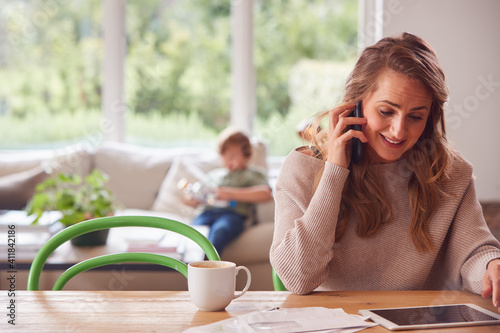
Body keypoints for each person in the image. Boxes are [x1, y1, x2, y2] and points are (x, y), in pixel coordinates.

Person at [269, 32, 500, 313]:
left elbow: (474, 253)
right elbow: (297, 277)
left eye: (416, 116)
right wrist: (335, 171)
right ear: (354, 104)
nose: (399, 131)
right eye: (386, 111)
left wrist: (491, 266)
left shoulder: (450, 173)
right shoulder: (303, 169)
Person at [188, 128, 273, 255]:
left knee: (220, 231)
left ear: (246, 155)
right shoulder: (213, 175)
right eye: (224, 156)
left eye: (233, 155)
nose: (228, 160)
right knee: (194, 233)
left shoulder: (253, 174)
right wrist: (193, 199)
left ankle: (209, 267)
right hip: (206, 213)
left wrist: (229, 194)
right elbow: (196, 197)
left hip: (232, 215)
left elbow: (265, 193)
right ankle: (191, 267)